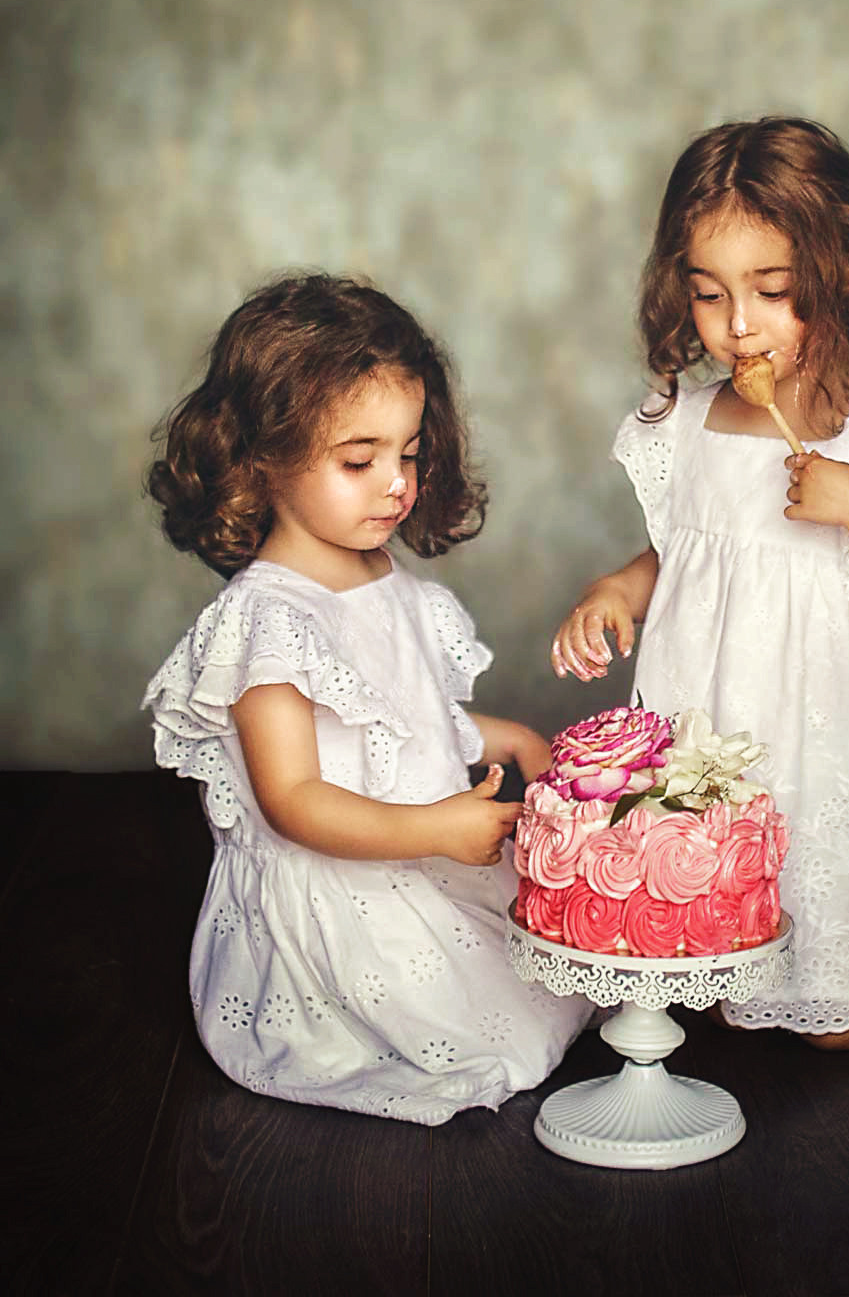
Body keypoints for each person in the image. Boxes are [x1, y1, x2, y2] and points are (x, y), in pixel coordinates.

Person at [551, 117, 849, 1048]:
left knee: (837, 1026)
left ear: (841, 277)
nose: (738, 325)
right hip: (716, 726)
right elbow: (690, 548)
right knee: (714, 975)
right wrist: (620, 586)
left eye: (773, 291)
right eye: (709, 295)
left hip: (827, 736)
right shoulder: (682, 424)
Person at [143, 272, 589, 1122]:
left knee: (551, 982)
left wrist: (511, 739)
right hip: (337, 897)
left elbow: (404, 715)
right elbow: (294, 799)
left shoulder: (385, 576)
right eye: (360, 460)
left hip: (418, 849)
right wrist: (435, 828)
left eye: (409, 453)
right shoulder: (267, 619)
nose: (396, 483)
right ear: (262, 458)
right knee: (494, 1036)